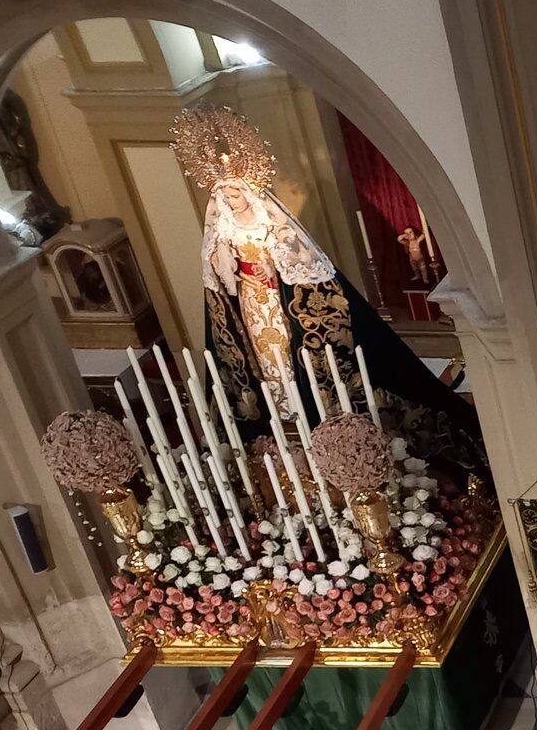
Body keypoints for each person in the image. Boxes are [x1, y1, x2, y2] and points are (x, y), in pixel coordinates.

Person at [173, 105, 483, 470]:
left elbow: (296, 261)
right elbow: (217, 276)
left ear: (248, 191)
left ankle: (303, 406)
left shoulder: (268, 221)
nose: (230, 199)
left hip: (277, 300)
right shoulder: (222, 227)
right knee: (264, 359)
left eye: (235, 193)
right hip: (249, 304)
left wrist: (270, 267)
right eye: (224, 194)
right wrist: (224, 263)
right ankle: (280, 412)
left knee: (290, 353)